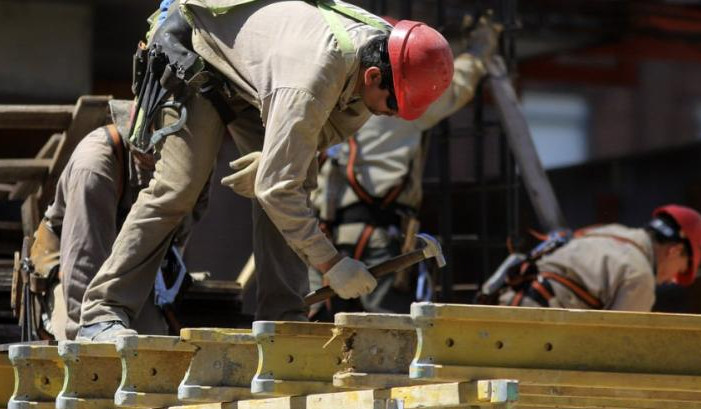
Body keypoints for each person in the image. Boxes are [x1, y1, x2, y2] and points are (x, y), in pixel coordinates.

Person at [76, 0, 454, 341]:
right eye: (391, 105)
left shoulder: (381, 57)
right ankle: (102, 313)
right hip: (196, 54)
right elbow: (278, 189)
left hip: (260, 78)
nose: (389, 114)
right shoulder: (315, 76)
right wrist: (331, 263)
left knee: (296, 175)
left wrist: (278, 157)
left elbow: (329, 129)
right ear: (372, 77)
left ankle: (284, 323)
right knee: (179, 188)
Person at [308, 15, 501, 319]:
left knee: (319, 324)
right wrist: (479, 49)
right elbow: (457, 86)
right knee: (389, 327)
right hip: (379, 233)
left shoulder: (339, 93)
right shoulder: (401, 103)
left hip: (326, 237)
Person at [29, 100, 206, 340]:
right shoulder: (94, 166)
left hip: (133, 274)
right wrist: (87, 343)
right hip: (72, 276)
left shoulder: (194, 163)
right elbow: (83, 267)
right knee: (86, 350)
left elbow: (180, 231)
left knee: (154, 351)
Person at [492, 205, 701, 311]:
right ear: (675, 251)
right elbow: (613, 348)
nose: (672, 279)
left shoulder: (609, 231)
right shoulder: (639, 276)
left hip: (504, 304)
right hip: (535, 326)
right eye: (681, 270)